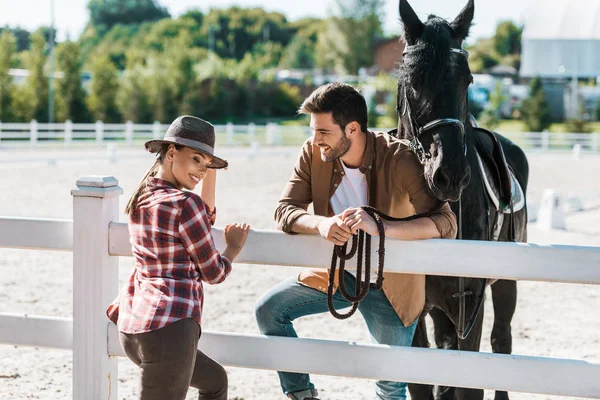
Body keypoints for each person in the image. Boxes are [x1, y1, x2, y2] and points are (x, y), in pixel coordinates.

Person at [255, 83, 457, 400]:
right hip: (334, 274)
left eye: (323, 131)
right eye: (314, 130)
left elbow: (446, 222)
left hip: (393, 285)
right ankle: (302, 395)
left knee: (390, 387)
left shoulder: (399, 158)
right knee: (269, 312)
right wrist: (321, 224)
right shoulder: (312, 152)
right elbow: (284, 210)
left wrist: (381, 226)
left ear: (352, 128)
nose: (316, 139)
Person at [107, 115, 250, 400]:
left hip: (135, 327)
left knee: (214, 381)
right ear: (172, 153)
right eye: (197, 160)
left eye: (207, 165)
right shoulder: (185, 204)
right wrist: (233, 248)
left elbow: (196, 221)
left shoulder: (142, 197)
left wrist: (207, 170)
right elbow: (213, 273)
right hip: (169, 329)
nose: (202, 171)